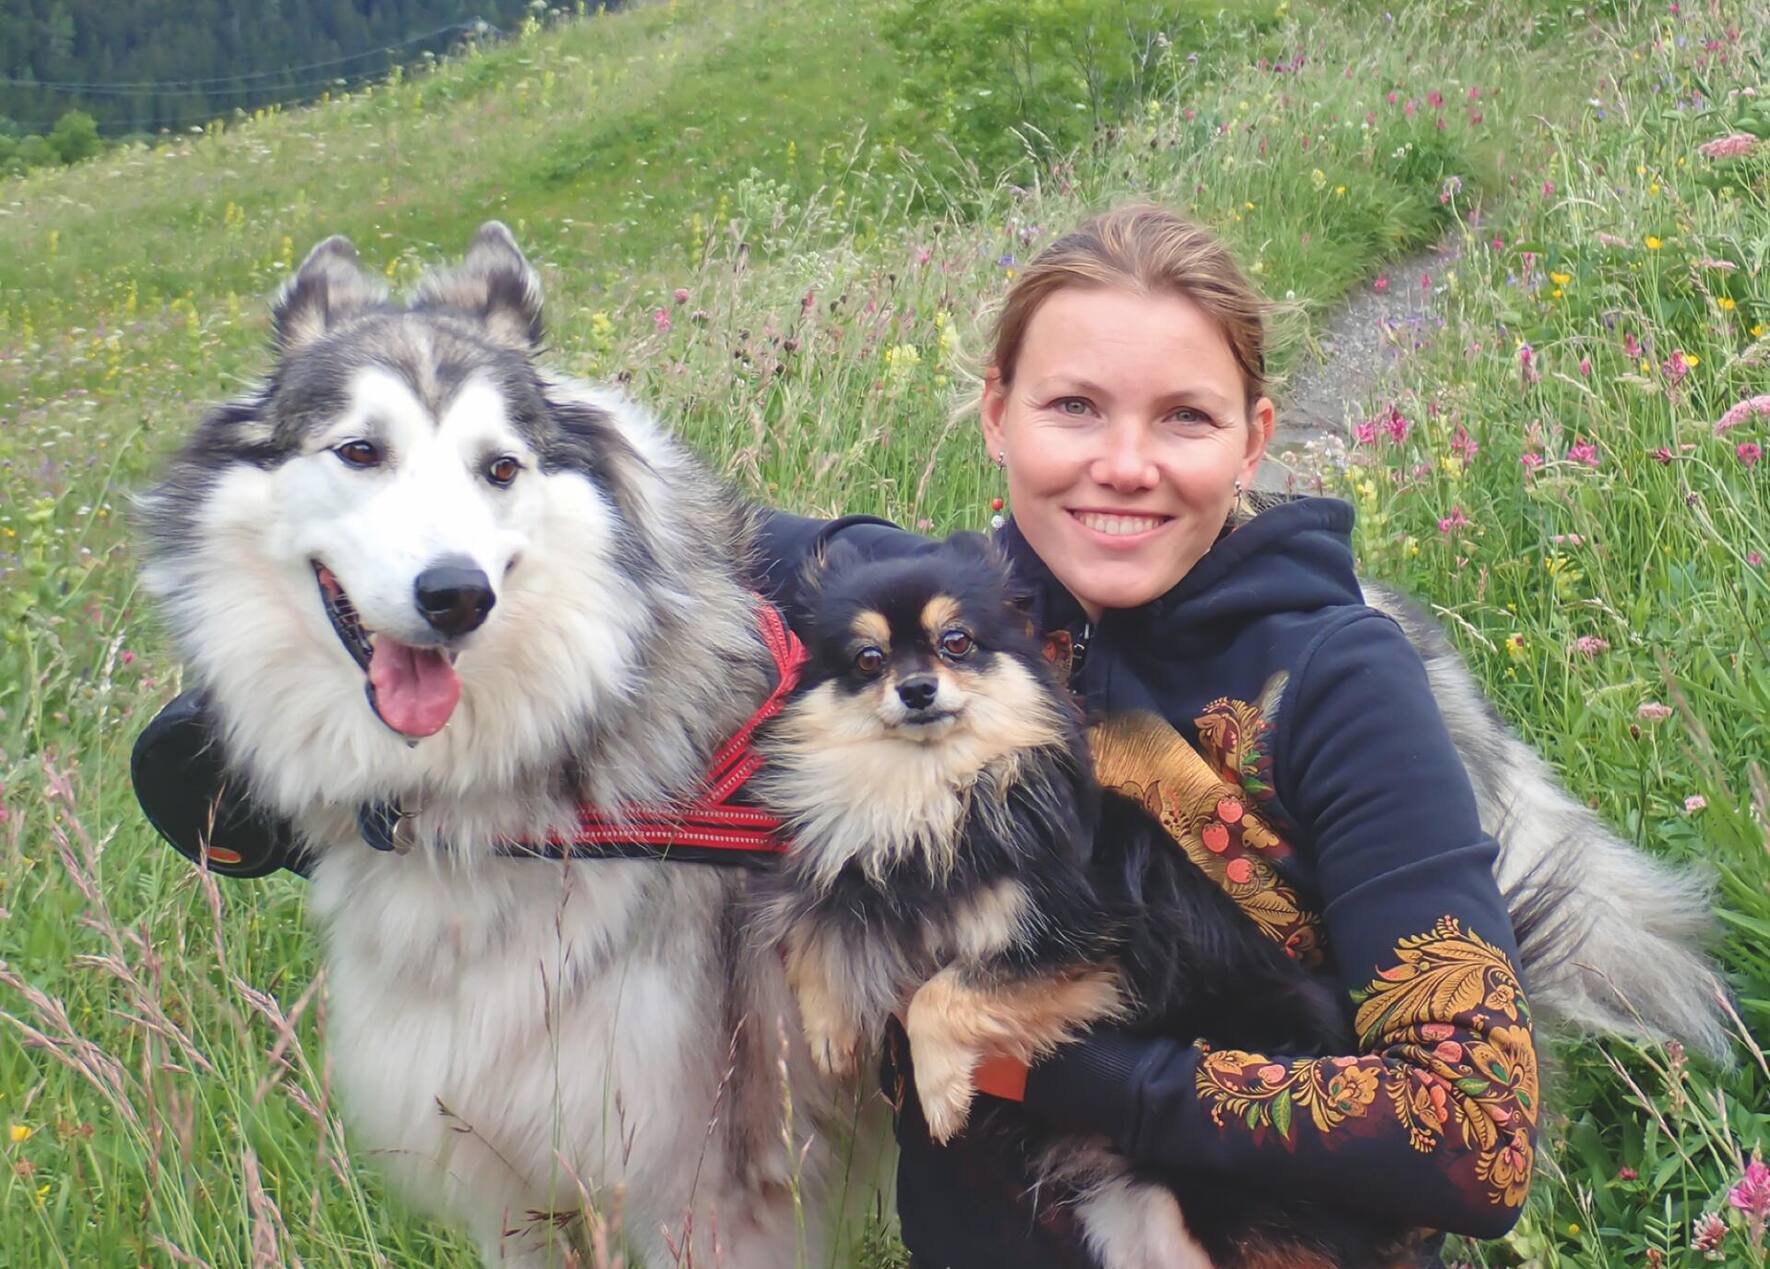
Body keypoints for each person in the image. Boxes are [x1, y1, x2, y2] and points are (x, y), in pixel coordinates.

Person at [136, 202, 1535, 1266]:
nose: (1120, 462)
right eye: (1070, 407)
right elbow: (703, 554)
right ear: (994, 413)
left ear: (1255, 433)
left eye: (1181, 416)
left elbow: (1472, 1141)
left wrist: (1012, 1053)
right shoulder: (941, 619)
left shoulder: (1340, 679)